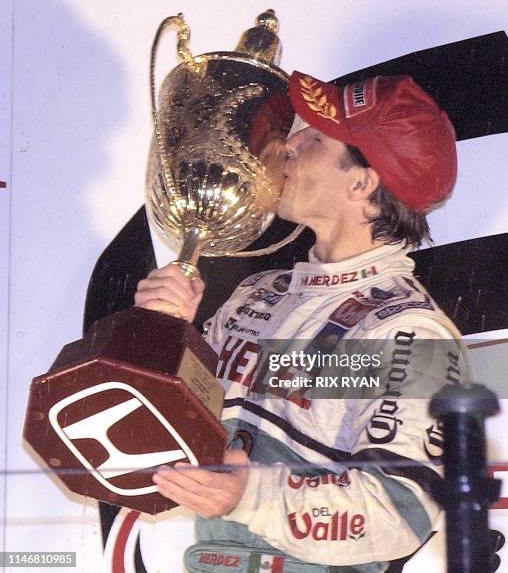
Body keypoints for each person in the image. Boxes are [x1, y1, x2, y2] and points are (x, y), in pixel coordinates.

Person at [135, 72, 470, 572]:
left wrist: (251, 496)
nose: (288, 144)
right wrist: (168, 333)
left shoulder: (411, 334)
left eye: (313, 139)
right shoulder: (259, 293)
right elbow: (171, 426)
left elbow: (398, 510)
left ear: (361, 183)